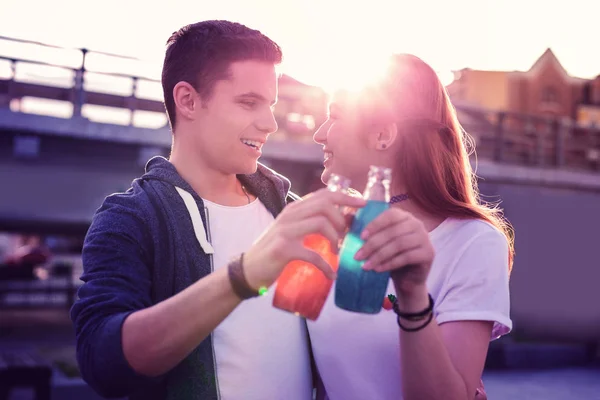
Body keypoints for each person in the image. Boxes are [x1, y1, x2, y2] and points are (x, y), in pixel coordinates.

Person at [70, 20, 364, 400]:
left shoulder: (291, 215)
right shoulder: (132, 219)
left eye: (271, 104)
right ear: (188, 100)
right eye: (248, 102)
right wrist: (243, 276)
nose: (270, 123)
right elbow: (102, 364)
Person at [308, 54, 514, 400]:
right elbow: (289, 357)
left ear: (384, 134)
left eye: (335, 116)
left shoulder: (473, 243)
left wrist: (413, 295)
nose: (318, 134)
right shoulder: (324, 232)